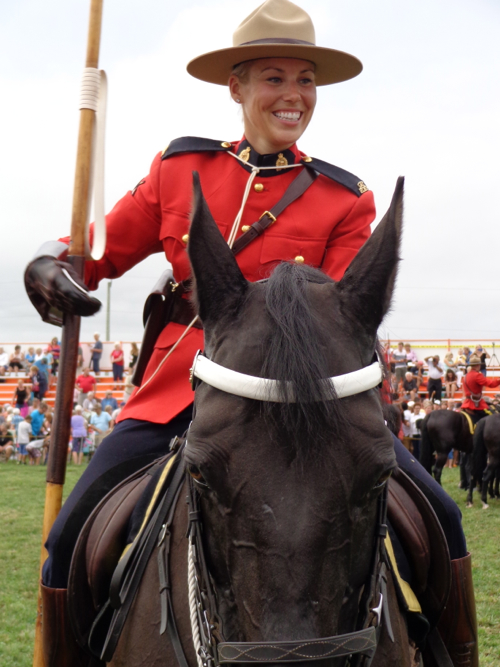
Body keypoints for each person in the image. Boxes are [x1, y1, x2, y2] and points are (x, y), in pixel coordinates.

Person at [23, 1, 474, 663]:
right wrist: (49, 264)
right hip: (178, 395)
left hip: (307, 409)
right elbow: (96, 250)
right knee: (67, 538)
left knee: (444, 517)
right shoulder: (180, 170)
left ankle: (456, 653)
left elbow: (346, 317)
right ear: (236, 86)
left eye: (305, 79)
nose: (293, 95)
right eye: (274, 77)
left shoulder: (346, 200)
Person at [461, 354, 500, 426]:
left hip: (467, 403)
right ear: (478, 365)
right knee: (494, 416)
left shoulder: (466, 376)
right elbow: (491, 384)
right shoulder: (477, 375)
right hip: (476, 404)